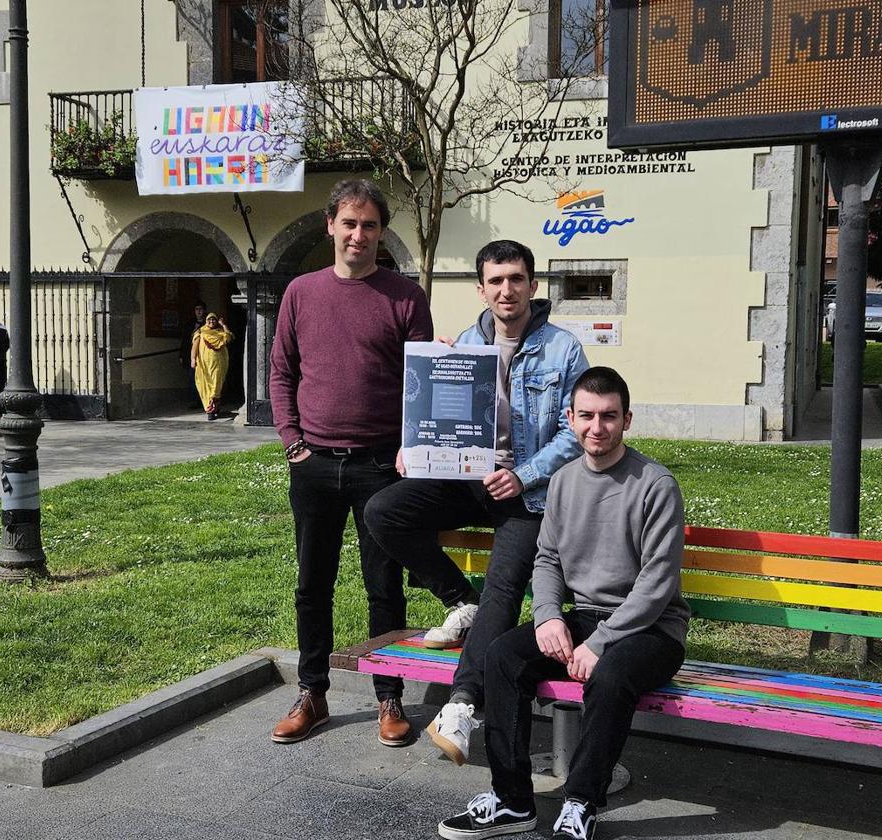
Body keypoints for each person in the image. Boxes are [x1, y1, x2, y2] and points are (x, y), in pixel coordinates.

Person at [438, 367, 689, 840]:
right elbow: (548, 558)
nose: (598, 427)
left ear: (627, 419)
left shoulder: (656, 484)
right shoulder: (563, 481)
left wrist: (602, 642)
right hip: (585, 620)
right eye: (588, 416)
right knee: (502, 656)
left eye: (610, 416)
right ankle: (512, 802)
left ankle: (580, 803)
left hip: (651, 631)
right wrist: (548, 617)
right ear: (571, 419)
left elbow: (657, 582)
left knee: (610, 675)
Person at [364, 239, 588, 766]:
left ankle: (463, 704)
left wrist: (524, 474)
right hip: (468, 480)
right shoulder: (465, 340)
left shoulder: (564, 349)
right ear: (481, 288)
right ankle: (457, 599)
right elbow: (444, 415)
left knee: (505, 589)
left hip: (528, 495)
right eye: (496, 280)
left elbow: (574, 428)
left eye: (516, 279)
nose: (506, 289)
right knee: (383, 511)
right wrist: (415, 443)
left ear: (534, 286)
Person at [268, 178, 433, 747]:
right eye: (349, 223)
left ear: (381, 232)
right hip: (312, 463)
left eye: (369, 225)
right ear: (330, 226)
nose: (358, 234)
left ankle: (389, 696)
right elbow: (282, 373)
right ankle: (312, 690)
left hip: (381, 467)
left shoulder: (406, 298)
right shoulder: (301, 293)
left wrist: (408, 450)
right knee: (313, 582)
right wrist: (293, 441)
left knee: (383, 585)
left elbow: (422, 387)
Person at [191, 312, 233, 421]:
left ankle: (215, 408)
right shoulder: (200, 332)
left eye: (213, 320)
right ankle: (210, 410)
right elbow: (195, 347)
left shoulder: (220, 332)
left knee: (216, 386)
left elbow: (228, 337)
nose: (211, 322)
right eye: (209, 320)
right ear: (206, 321)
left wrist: (223, 325)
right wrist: (193, 359)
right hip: (204, 366)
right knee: (205, 386)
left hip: (218, 365)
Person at [181, 299, 207, 408]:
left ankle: (205, 401)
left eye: (200, 309)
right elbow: (185, 341)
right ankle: (195, 401)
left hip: (205, 356)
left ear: (204, 310)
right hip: (192, 356)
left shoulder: (208, 323)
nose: (198, 311)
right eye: (196, 309)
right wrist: (181, 355)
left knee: (204, 379)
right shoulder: (190, 324)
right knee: (193, 379)